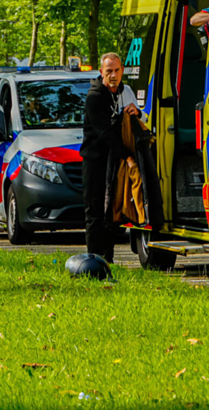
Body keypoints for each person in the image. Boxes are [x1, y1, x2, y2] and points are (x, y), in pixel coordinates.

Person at [80, 52, 140, 262]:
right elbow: (104, 133)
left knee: (112, 212)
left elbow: (141, 119)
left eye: (116, 70)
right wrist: (127, 157)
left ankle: (108, 259)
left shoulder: (127, 91)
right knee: (95, 212)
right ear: (101, 73)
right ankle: (94, 260)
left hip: (115, 160)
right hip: (96, 160)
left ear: (122, 70)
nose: (113, 75)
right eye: (109, 71)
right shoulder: (95, 96)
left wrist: (137, 113)